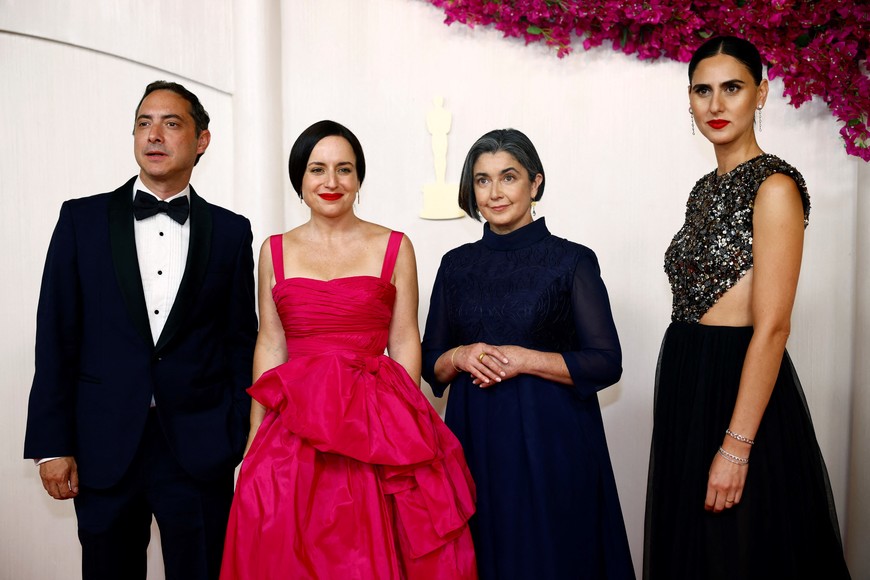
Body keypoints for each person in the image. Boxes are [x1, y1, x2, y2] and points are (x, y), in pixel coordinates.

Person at [220, 120, 477, 579]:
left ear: (359, 179)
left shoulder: (395, 246)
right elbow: (271, 342)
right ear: (300, 179)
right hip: (294, 428)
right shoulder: (273, 250)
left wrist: (407, 427)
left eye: (345, 169)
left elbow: (403, 341)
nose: (331, 182)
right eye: (318, 169)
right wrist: (254, 439)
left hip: (376, 425)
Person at [23, 81, 257, 580]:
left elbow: (240, 340)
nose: (155, 135)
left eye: (171, 124)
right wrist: (51, 444)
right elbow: (56, 334)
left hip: (199, 449)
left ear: (202, 141)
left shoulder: (232, 231)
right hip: (102, 446)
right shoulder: (80, 220)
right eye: (144, 123)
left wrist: (234, 432)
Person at [643, 36, 851, 579]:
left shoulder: (776, 186)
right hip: (690, 384)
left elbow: (774, 326)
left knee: (742, 552)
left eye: (731, 88)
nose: (715, 105)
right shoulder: (702, 190)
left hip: (740, 388)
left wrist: (736, 448)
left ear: (761, 93)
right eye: (702, 91)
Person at [421, 128, 635, 579]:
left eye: (508, 177)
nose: (495, 192)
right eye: (483, 180)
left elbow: (606, 361)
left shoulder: (572, 261)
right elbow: (430, 362)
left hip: (552, 442)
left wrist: (526, 359)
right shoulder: (455, 265)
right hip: (474, 442)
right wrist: (459, 356)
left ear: (535, 183)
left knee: (552, 558)